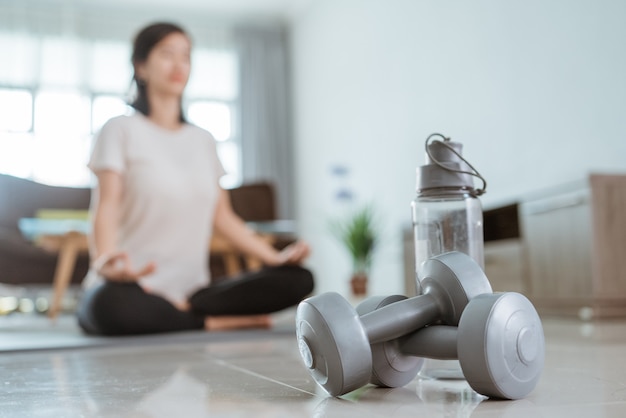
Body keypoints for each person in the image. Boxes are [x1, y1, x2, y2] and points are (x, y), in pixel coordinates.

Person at [76, 22, 314, 336]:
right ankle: (209, 323)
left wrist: (276, 257)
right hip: (133, 288)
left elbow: (224, 218)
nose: (179, 65)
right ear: (141, 66)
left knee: (300, 279)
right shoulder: (119, 129)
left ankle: (189, 316)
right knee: (107, 305)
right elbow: (105, 206)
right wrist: (105, 263)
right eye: (167, 54)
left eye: (186, 56)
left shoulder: (203, 140)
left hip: (193, 293)